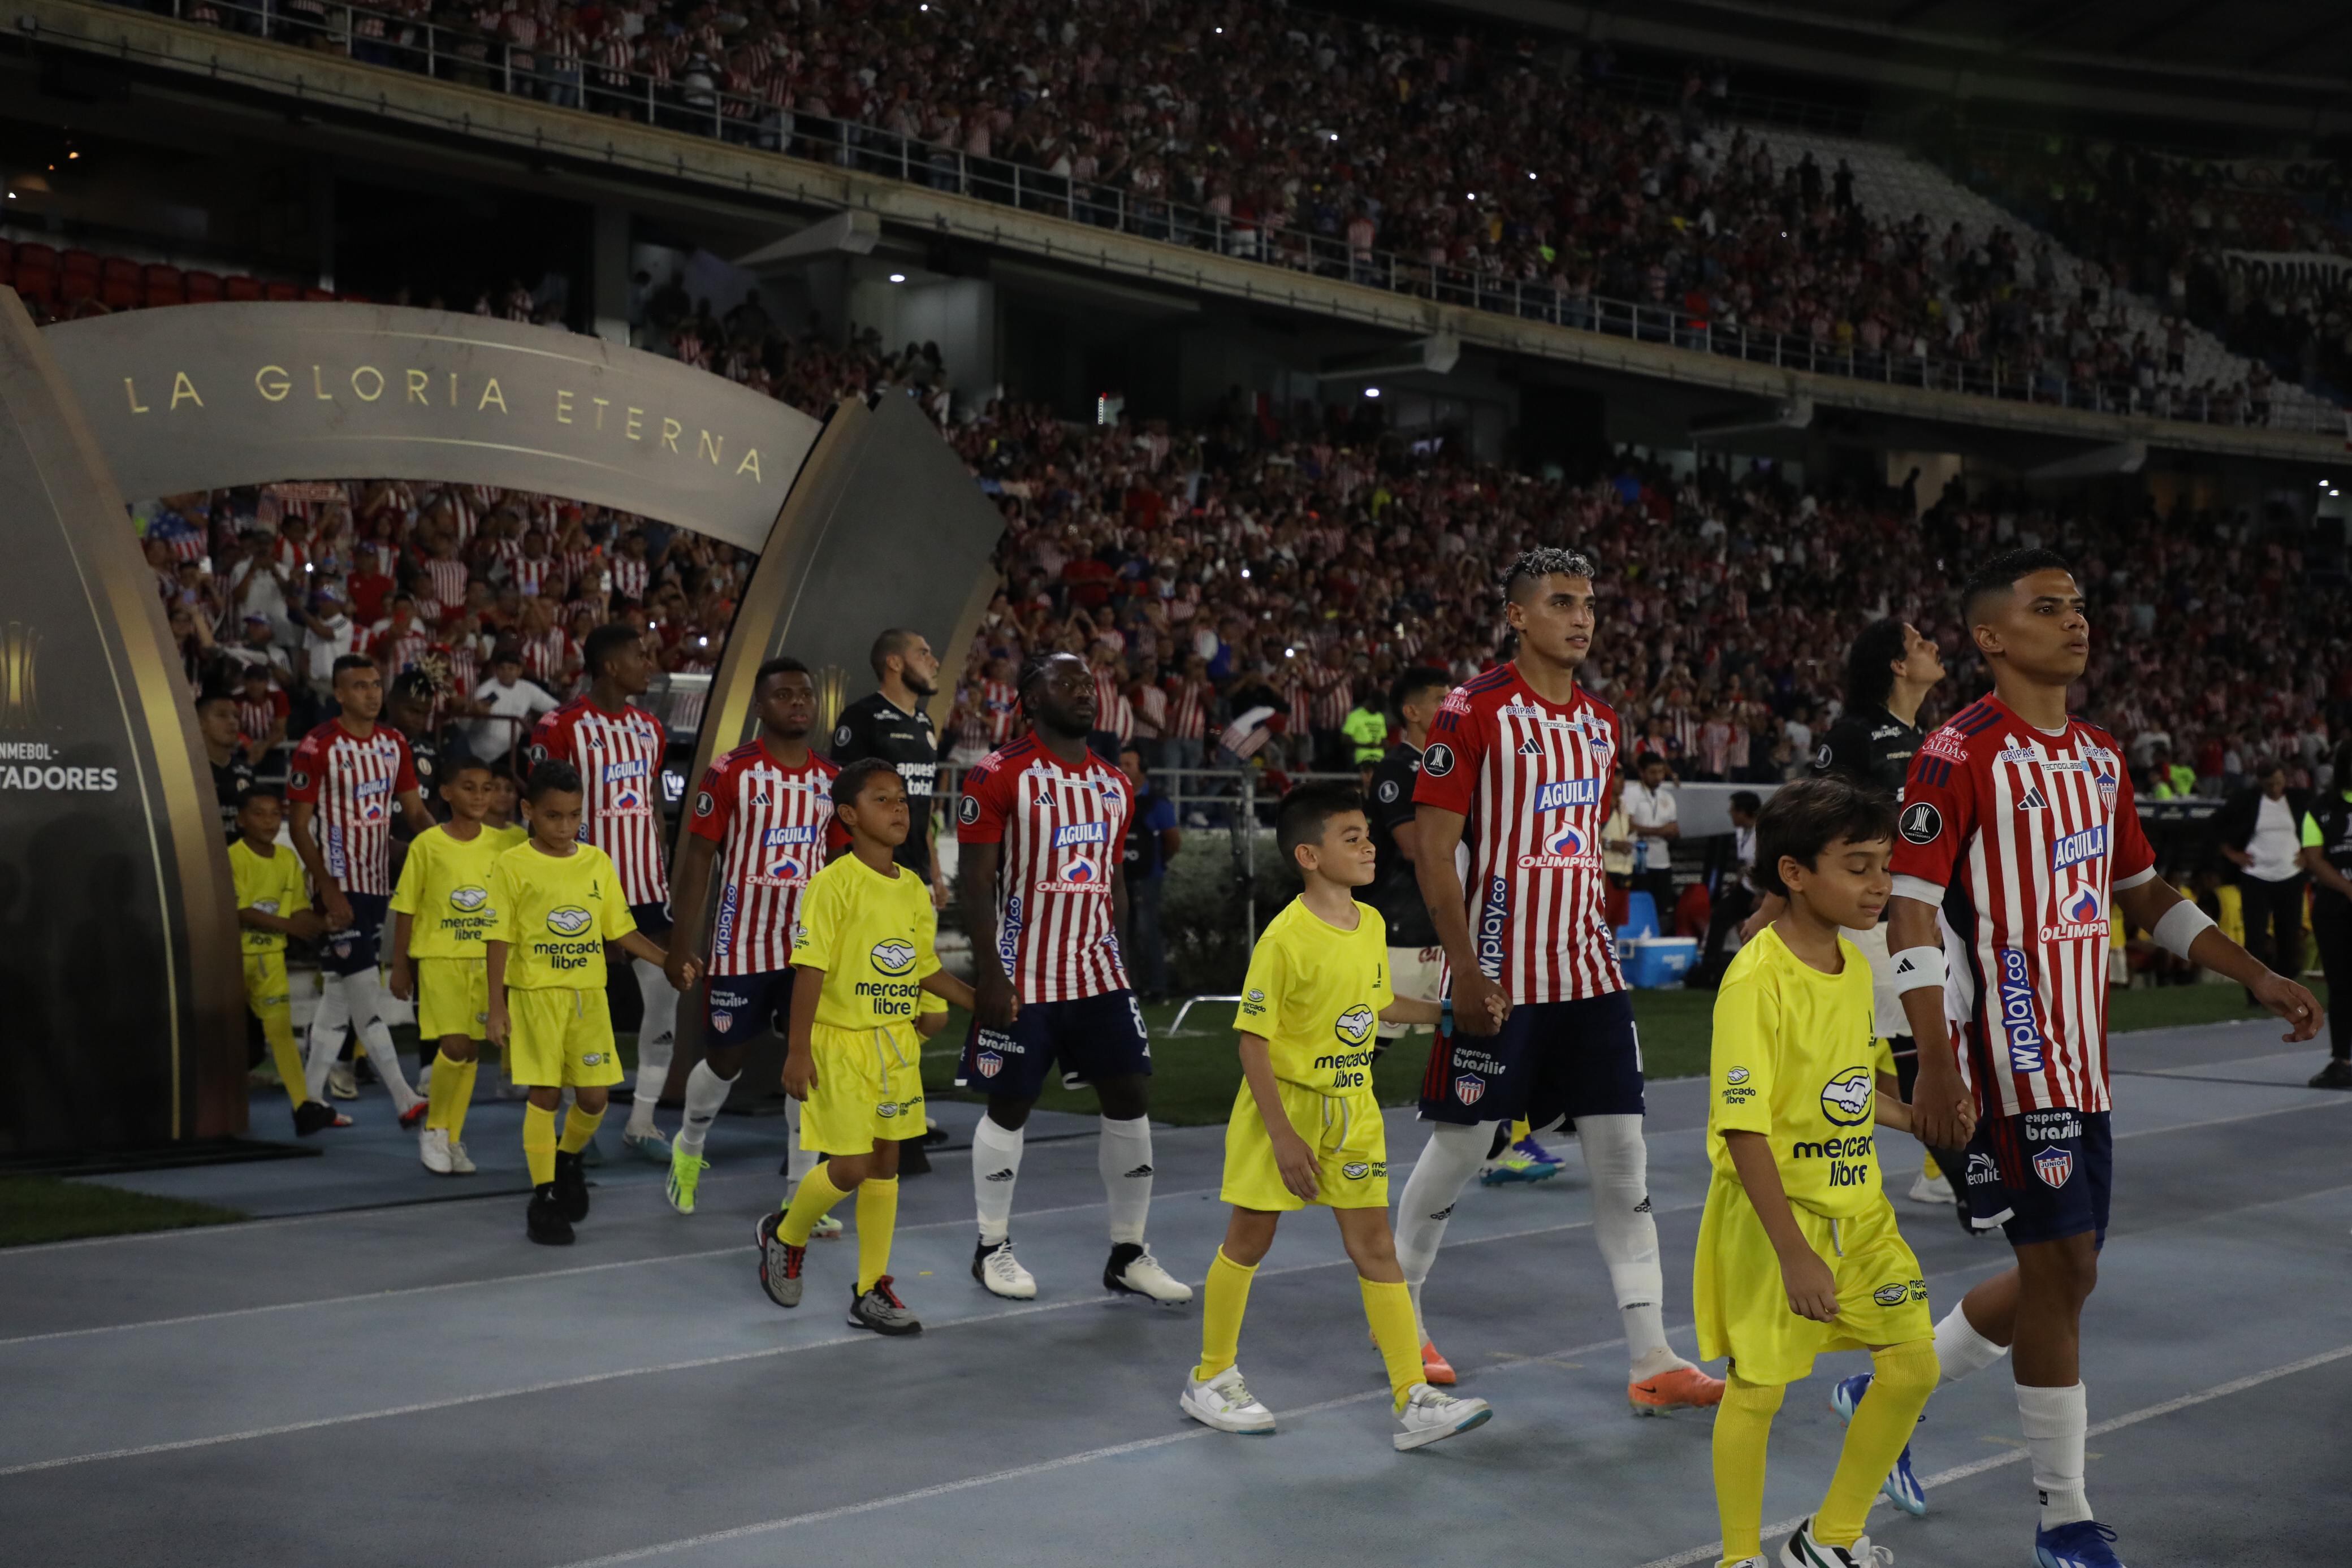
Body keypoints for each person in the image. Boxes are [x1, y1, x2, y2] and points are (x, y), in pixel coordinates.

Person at [1889, 548, 2322, 1563]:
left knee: (2067, 1275)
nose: (2076, 621)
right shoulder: (1957, 752)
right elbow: (1910, 902)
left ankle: (1889, 1386)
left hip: (2082, 1054)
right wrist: (1937, 1059)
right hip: (2006, 1046)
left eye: (2079, 605)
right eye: (2049, 608)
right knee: (2060, 1265)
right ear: (1992, 637)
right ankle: (2063, 1513)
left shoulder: (2096, 753)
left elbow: (2141, 890)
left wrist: (2254, 971)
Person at [1394, 547, 1723, 1413]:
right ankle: (1398, 1322)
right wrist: (1465, 968)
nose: (1580, 617)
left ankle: (1652, 1355)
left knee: (1623, 1159)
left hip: (1588, 972)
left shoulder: (1601, 721)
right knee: (1463, 1148)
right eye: (1561, 601)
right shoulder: (1473, 710)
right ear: (1518, 616)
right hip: (1498, 974)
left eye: (1588, 602)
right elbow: (1435, 849)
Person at [1181, 782, 1496, 1450]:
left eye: (1367, 833)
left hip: (1353, 1110)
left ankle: (1412, 1396)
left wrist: (1446, 1013)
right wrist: (1283, 1135)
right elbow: (1252, 1040)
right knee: (1249, 1240)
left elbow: (1378, 1004)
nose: (1367, 844)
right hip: (1286, 1111)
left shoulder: (1372, 922)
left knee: (1375, 1247)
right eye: (1349, 836)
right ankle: (1210, 1375)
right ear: (1308, 855)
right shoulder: (1284, 938)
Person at [1700, 777, 1943, 1568]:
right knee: (1759, 1387)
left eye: (1886, 865)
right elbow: (1743, 1125)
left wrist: (1925, 1118)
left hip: (1860, 1212)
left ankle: (1828, 1538)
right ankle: (1738, 1558)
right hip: (1779, 1220)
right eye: (1860, 865)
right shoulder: (1757, 979)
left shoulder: (1852, 966)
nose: (1881, 884)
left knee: (1911, 1365)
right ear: (1795, 873)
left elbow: (1854, 1088)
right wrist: (1793, 1251)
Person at [956, 651, 1192, 1305]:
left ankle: (1128, 1251)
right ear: (1029, 699)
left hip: (1096, 973)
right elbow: (974, 884)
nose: (1083, 692)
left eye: (1087, 682)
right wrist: (991, 972)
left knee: (1131, 1097)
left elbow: (1112, 879)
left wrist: (1115, 951)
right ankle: (991, 1246)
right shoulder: (996, 773)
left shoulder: (1114, 782)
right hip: (1023, 973)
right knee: (1010, 1104)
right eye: (1064, 682)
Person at [755, 760, 976, 1333]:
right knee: (850, 1164)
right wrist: (797, 1050)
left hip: (893, 1045)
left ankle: (870, 1288)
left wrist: (973, 1001)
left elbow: (921, 964)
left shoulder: (912, 889)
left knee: (885, 1162)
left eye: (901, 798)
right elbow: (808, 970)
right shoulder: (833, 884)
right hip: (840, 1043)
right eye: (882, 799)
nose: (898, 808)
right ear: (849, 815)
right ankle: (785, 1234)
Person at [664, 657, 842, 1215]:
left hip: (808, 949)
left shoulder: (831, 780)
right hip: (741, 941)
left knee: (806, 1061)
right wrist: (679, 942)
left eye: (805, 694)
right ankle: (688, 1146)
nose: (798, 703)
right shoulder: (731, 771)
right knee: (725, 1060)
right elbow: (697, 860)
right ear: (760, 707)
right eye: (784, 694)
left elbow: (840, 865)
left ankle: (799, 1196)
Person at [487, 761, 688, 1246]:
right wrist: (498, 1005)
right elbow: (497, 939)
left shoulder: (597, 862)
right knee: (546, 1095)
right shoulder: (512, 866)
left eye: (574, 815)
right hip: (537, 998)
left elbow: (619, 929)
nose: (564, 826)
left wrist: (667, 961)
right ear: (529, 811)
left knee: (595, 1098)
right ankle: (545, 1197)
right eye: (553, 816)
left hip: (588, 999)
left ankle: (567, 1159)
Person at [1802, 617, 1957, 1206]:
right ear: (1895, 664)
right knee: (1911, 1042)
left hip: (1919, 915)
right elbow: (1812, 819)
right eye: (1921, 641)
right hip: (1867, 919)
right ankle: (1964, 1175)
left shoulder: (1929, 740)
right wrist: (1774, 902)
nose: (1934, 644)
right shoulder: (1854, 735)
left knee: (1898, 1044)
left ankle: (1943, 1171)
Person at [530, 623, 678, 1163]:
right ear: (611, 666)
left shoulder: (650, 728)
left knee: (664, 995)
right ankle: (576, 1117)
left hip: (643, 886)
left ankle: (641, 1121)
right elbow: (542, 813)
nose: (650, 663)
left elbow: (654, 805)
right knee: (579, 1003)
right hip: (580, 889)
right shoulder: (560, 726)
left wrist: (659, 864)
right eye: (640, 656)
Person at [288, 654, 436, 1121]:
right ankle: (405, 1098)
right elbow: (298, 827)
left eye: (375, 684)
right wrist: (327, 887)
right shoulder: (318, 746)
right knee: (364, 995)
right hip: (340, 884)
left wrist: (445, 851)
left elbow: (415, 815)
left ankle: (310, 1102)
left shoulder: (394, 744)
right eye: (359, 686)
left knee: (337, 996)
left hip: (377, 883)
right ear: (339, 694)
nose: (371, 694)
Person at [389, 755, 526, 1176]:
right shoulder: (428, 844)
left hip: (487, 962)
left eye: (488, 788)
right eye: (470, 787)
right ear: (446, 793)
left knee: (471, 1053)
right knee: (453, 1047)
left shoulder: (507, 843)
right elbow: (407, 907)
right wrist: (400, 965)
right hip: (441, 959)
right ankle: (433, 1129)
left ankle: (451, 1136)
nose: (481, 796)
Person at [230, 786, 345, 1136]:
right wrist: (290, 926)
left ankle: (302, 1107)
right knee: (227, 1039)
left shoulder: (286, 859)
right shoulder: (232, 857)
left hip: (270, 959)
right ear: (240, 820)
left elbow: (297, 909)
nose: (268, 821)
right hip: (229, 960)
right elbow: (238, 911)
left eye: (274, 814)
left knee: (280, 1032)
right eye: (259, 813)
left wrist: (322, 923)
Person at [831, 628, 947, 905]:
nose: (934, 662)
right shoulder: (861, 717)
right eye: (923, 653)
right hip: (874, 879)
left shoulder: (925, 723)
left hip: (919, 880)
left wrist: (935, 871)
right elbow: (841, 805)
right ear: (894, 663)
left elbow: (922, 806)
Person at [2217, 761, 2311, 994]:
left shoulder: (2299, 801)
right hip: (2256, 876)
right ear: (2261, 782)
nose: (2276, 788)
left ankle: (2290, 990)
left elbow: (2317, 826)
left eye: (2279, 782)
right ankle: (2255, 993)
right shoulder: (2246, 801)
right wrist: (2233, 854)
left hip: (2290, 875)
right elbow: (2216, 824)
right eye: (2270, 784)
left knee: (2289, 935)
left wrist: (2309, 854)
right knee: (2255, 937)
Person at [2303, 740, 2352, 1089]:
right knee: (2341, 985)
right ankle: (2343, 1060)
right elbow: (2314, 858)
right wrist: (2348, 889)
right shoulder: (2320, 808)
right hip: (2334, 911)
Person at [1117, 744, 1181, 1001]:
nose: (1121, 769)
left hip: (1147, 878)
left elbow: (1173, 841)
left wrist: (1157, 863)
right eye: (1119, 764)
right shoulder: (1110, 797)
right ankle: (1127, 987)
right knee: (1121, 933)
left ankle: (1156, 987)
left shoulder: (1157, 802)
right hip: (1119, 878)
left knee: (1147, 931)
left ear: (1143, 771)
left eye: (1128, 765)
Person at [468, 646, 560, 769]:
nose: (506, 672)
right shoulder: (487, 690)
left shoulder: (526, 688)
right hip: (481, 753)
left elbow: (556, 707)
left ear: (519, 671)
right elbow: (476, 713)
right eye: (502, 668)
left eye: (511, 668)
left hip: (509, 752)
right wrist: (480, 709)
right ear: (496, 670)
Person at [1622, 750, 1680, 916]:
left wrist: (1671, 833)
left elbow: (1674, 828)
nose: (1658, 777)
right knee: (1637, 909)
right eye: (1653, 772)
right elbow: (1628, 825)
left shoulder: (1667, 797)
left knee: (1661, 909)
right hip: (1638, 861)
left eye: (1661, 772)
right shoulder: (1631, 793)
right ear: (1641, 772)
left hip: (1662, 862)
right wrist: (1660, 831)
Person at [198, 692, 257, 840]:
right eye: (222, 715)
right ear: (200, 723)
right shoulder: (186, 771)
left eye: (236, 716)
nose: (232, 722)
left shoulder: (246, 772)